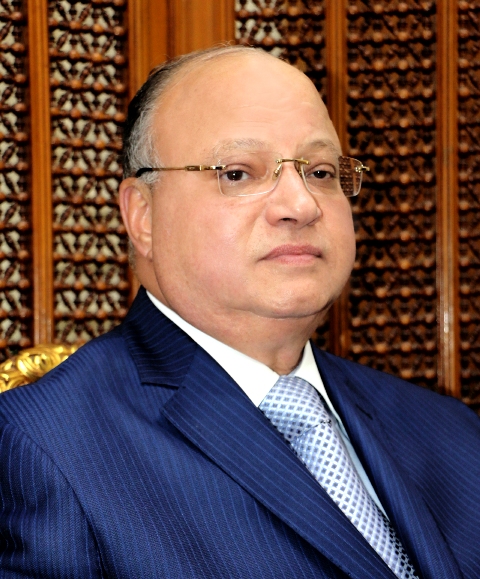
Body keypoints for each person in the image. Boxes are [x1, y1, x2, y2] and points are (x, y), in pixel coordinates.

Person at [0, 45, 479, 579]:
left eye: (321, 172)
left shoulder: (451, 431)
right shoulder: (46, 446)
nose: (302, 205)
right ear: (143, 216)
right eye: (237, 174)